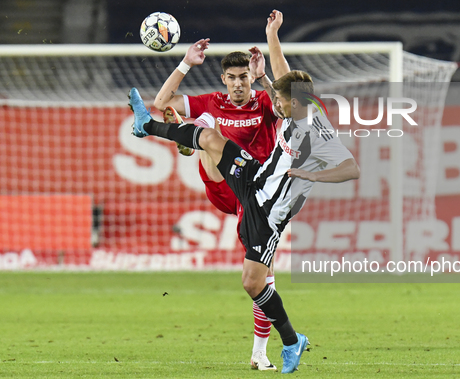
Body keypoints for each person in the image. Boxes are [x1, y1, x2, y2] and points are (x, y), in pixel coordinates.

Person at [128, 67, 360, 373]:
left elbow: (351, 168)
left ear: (296, 103)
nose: (275, 103)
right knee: (211, 138)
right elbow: (282, 75)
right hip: (254, 178)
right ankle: (148, 126)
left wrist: (312, 174)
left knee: (252, 283)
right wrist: (270, 44)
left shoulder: (318, 132)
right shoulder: (300, 105)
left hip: (267, 215)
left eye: (280, 100)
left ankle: (292, 340)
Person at [152, 38, 281, 370]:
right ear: (224, 79)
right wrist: (185, 63)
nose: (238, 84)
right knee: (212, 134)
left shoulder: (264, 103)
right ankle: (195, 134)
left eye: (243, 77)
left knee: (261, 275)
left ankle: (259, 353)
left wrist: (264, 76)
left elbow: (285, 106)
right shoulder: (214, 101)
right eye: (232, 78)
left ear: (249, 78)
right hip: (223, 185)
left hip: (256, 195)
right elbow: (160, 101)